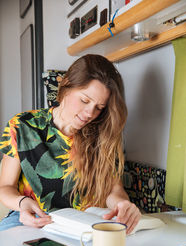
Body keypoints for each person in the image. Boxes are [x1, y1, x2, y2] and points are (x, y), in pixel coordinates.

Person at [0, 54, 141, 233]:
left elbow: (114, 190)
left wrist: (122, 205)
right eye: (84, 100)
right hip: (32, 219)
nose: (90, 113)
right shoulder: (22, 126)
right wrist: (22, 203)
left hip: (82, 224)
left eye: (99, 107)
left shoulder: (103, 134)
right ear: (66, 86)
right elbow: (5, 187)